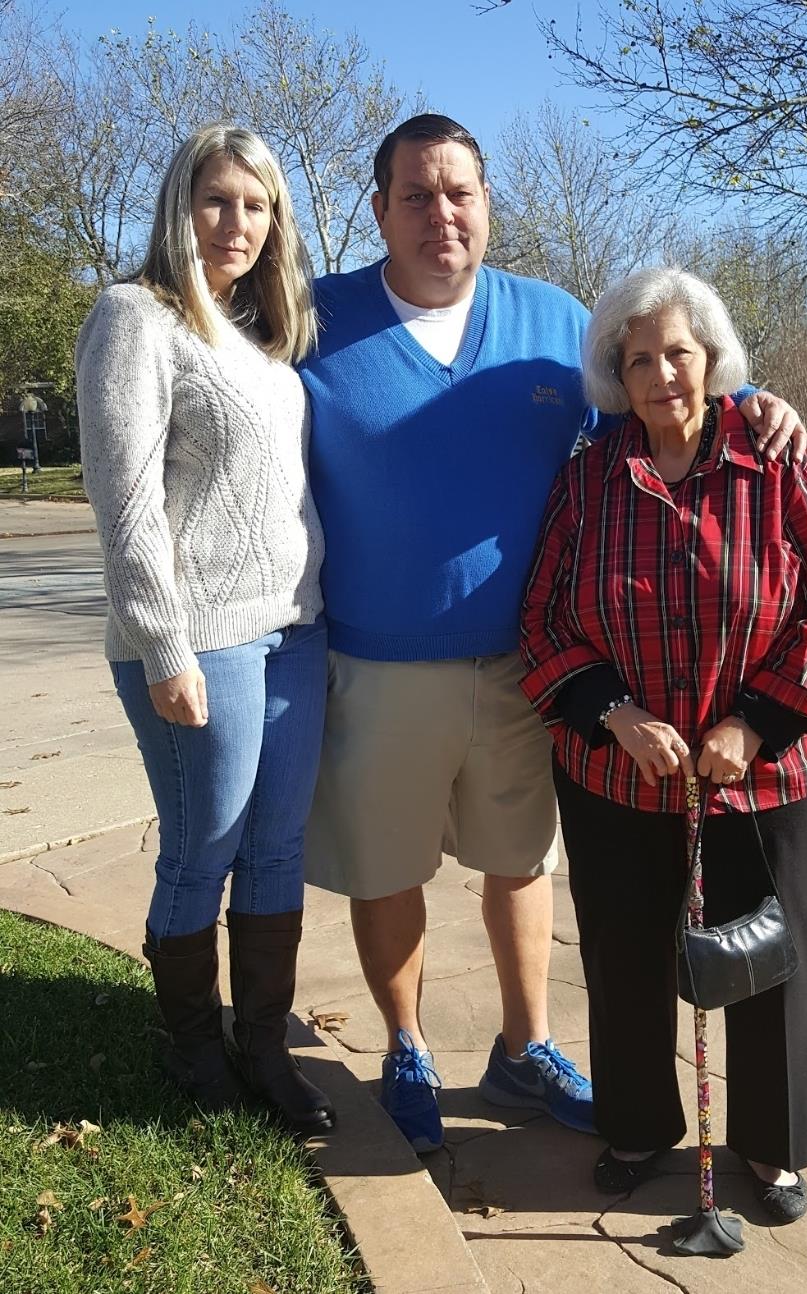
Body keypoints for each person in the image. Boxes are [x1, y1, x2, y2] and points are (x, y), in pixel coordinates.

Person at [299, 113, 807, 1155]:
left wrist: (756, 400)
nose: (440, 213)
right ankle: (407, 1048)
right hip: (380, 663)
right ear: (379, 208)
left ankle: (523, 1046)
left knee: (519, 863)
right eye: (415, 194)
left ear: (486, 202)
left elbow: (656, 383)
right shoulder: (312, 320)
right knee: (387, 871)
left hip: (530, 669)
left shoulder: (548, 320)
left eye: (459, 192)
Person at [520, 266, 807, 1220]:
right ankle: (635, 1124)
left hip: (771, 774)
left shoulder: (775, 459)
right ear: (616, 374)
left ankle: (770, 1143)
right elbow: (541, 621)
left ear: (711, 361)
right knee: (623, 956)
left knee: (771, 958)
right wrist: (613, 714)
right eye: (639, 359)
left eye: (677, 352)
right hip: (620, 774)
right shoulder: (588, 478)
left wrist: (753, 722)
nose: (661, 374)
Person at [75, 124, 334, 1132]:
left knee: (274, 848)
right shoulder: (136, 317)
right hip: (201, 641)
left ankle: (263, 1048)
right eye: (217, 199)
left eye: (257, 205)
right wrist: (163, 644)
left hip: (294, 636)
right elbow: (125, 501)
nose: (236, 222)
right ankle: (192, 1052)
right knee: (202, 849)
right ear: (179, 205)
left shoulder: (265, 344)